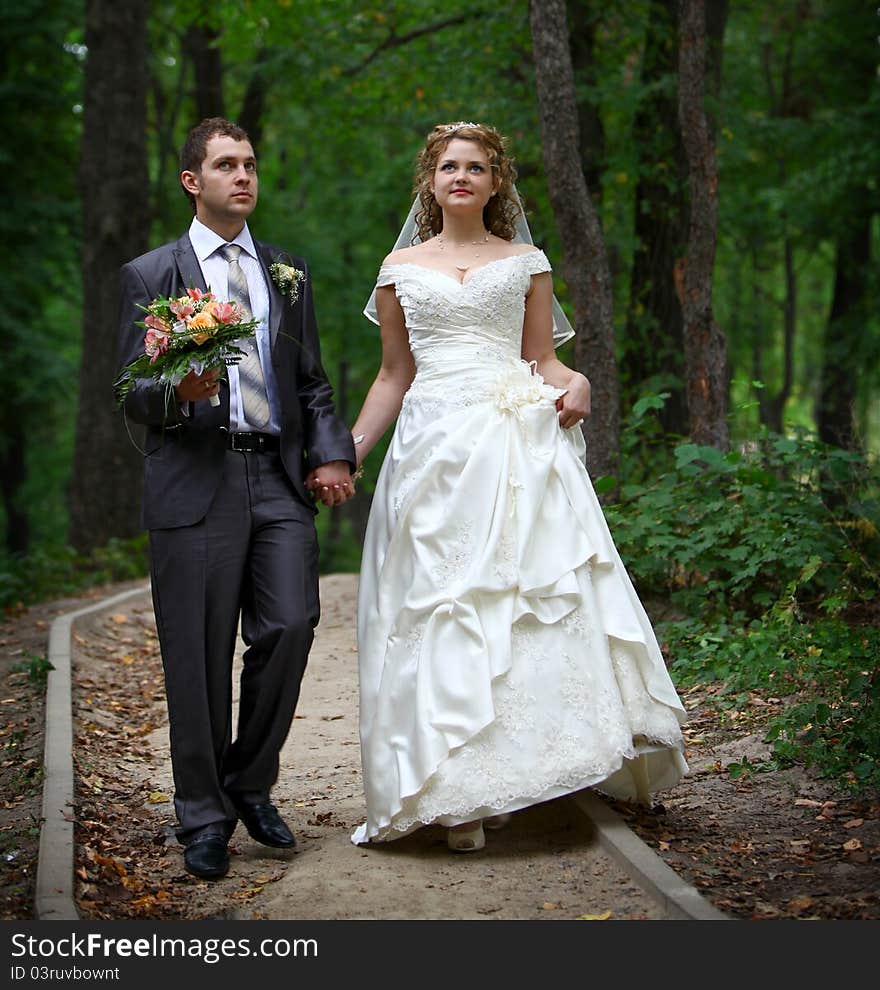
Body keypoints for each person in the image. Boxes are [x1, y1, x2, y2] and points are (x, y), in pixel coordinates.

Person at [349, 121, 687, 852]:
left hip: (511, 444)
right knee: (438, 609)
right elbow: (393, 375)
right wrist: (348, 450)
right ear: (430, 182)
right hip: (433, 449)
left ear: (496, 183)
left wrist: (581, 381)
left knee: (511, 610)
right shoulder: (399, 265)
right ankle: (451, 791)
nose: (460, 177)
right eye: (448, 167)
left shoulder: (526, 260)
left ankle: (497, 776)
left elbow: (543, 361)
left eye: (475, 167)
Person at [116, 117, 356, 880]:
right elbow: (130, 391)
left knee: (292, 622)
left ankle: (249, 780)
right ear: (194, 181)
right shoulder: (153, 273)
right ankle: (204, 818)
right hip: (195, 480)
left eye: (250, 164)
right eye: (226, 165)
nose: (243, 176)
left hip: (276, 479)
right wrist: (175, 393)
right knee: (197, 655)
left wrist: (331, 454)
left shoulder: (287, 271)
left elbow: (311, 381)